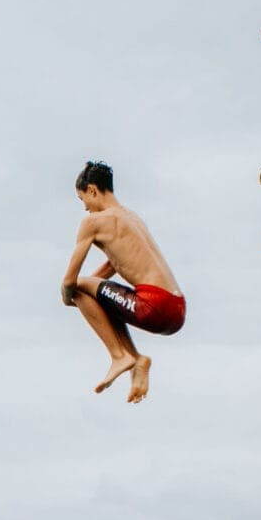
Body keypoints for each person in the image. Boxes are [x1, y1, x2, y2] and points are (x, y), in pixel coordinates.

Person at [61, 160, 186, 404]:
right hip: (176, 306)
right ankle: (136, 360)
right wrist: (93, 297)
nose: (85, 208)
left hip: (154, 305)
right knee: (92, 291)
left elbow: (69, 281)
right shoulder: (132, 218)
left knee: (78, 289)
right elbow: (114, 265)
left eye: (82, 199)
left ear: (92, 190)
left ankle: (120, 356)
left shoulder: (93, 222)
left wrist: (69, 298)